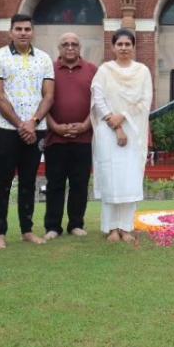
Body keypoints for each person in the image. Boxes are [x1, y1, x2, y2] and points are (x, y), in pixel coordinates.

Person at [0, 13, 55, 249]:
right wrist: (20, 124)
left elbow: (49, 95)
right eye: (19, 29)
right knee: (2, 181)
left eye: (27, 29)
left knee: (28, 180)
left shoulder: (44, 59)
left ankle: (27, 230)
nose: (23, 33)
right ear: (11, 32)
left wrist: (33, 122)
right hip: (7, 129)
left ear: (32, 32)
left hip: (36, 129)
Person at [91, 29, 153, 242]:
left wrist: (124, 117)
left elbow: (145, 101)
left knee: (129, 178)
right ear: (113, 47)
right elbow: (98, 98)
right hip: (107, 131)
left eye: (128, 44)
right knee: (111, 178)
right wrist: (114, 122)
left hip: (134, 131)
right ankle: (111, 228)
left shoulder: (142, 71)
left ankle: (126, 227)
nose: (124, 48)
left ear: (133, 46)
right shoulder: (104, 70)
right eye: (120, 44)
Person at [43, 32, 97, 239]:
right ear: (59, 48)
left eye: (74, 44)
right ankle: (52, 227)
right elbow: (41, 101)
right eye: (65, 44)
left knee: (79, 183)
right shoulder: (48, 70)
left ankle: (76, 224)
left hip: (83, 139)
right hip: (55, 139)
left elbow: (98, 103)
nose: (70, 47)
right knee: (55, 183)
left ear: (80, 47)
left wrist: (85, 125)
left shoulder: (92, 70)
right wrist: (55, 126)